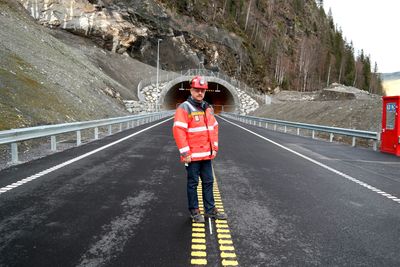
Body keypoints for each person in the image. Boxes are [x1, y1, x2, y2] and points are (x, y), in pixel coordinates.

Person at [173, 75, 227, 223]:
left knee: (208, 182)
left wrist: (214, 148)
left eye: (202, 90)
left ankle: (210, 210)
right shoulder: (184, 108)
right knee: (193, 183)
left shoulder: (207, 108)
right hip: (192, 156)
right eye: (197, 90)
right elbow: (179, 130)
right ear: (191, 90)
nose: (200, 93)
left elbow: (214, 127)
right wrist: (185, 152)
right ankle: (195, 211)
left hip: (207, 155)